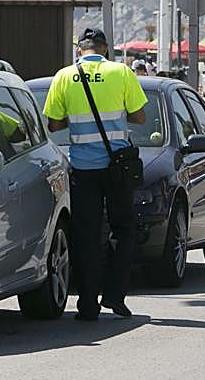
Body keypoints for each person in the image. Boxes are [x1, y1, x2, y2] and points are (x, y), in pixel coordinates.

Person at [44, 28, 146, 321]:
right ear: (105, 50)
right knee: (123, 229)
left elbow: (53, 124)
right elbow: (139, 116)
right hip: (117, 167)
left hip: (83, 168)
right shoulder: (122, 72)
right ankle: (114, 295)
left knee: (86, 235)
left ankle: (88, 305)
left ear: (79, 50)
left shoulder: (64, 76)